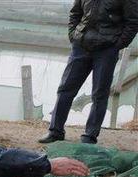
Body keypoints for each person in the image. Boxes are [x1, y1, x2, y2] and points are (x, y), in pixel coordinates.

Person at [39, 0, 138, 144]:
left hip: (106, 50)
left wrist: (116, 45)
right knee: (65, 89)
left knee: (99, 94)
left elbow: (133, 22)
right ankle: (55, 131)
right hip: (81, 46)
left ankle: (89, 136)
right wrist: (74, 36)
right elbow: (75, 13)